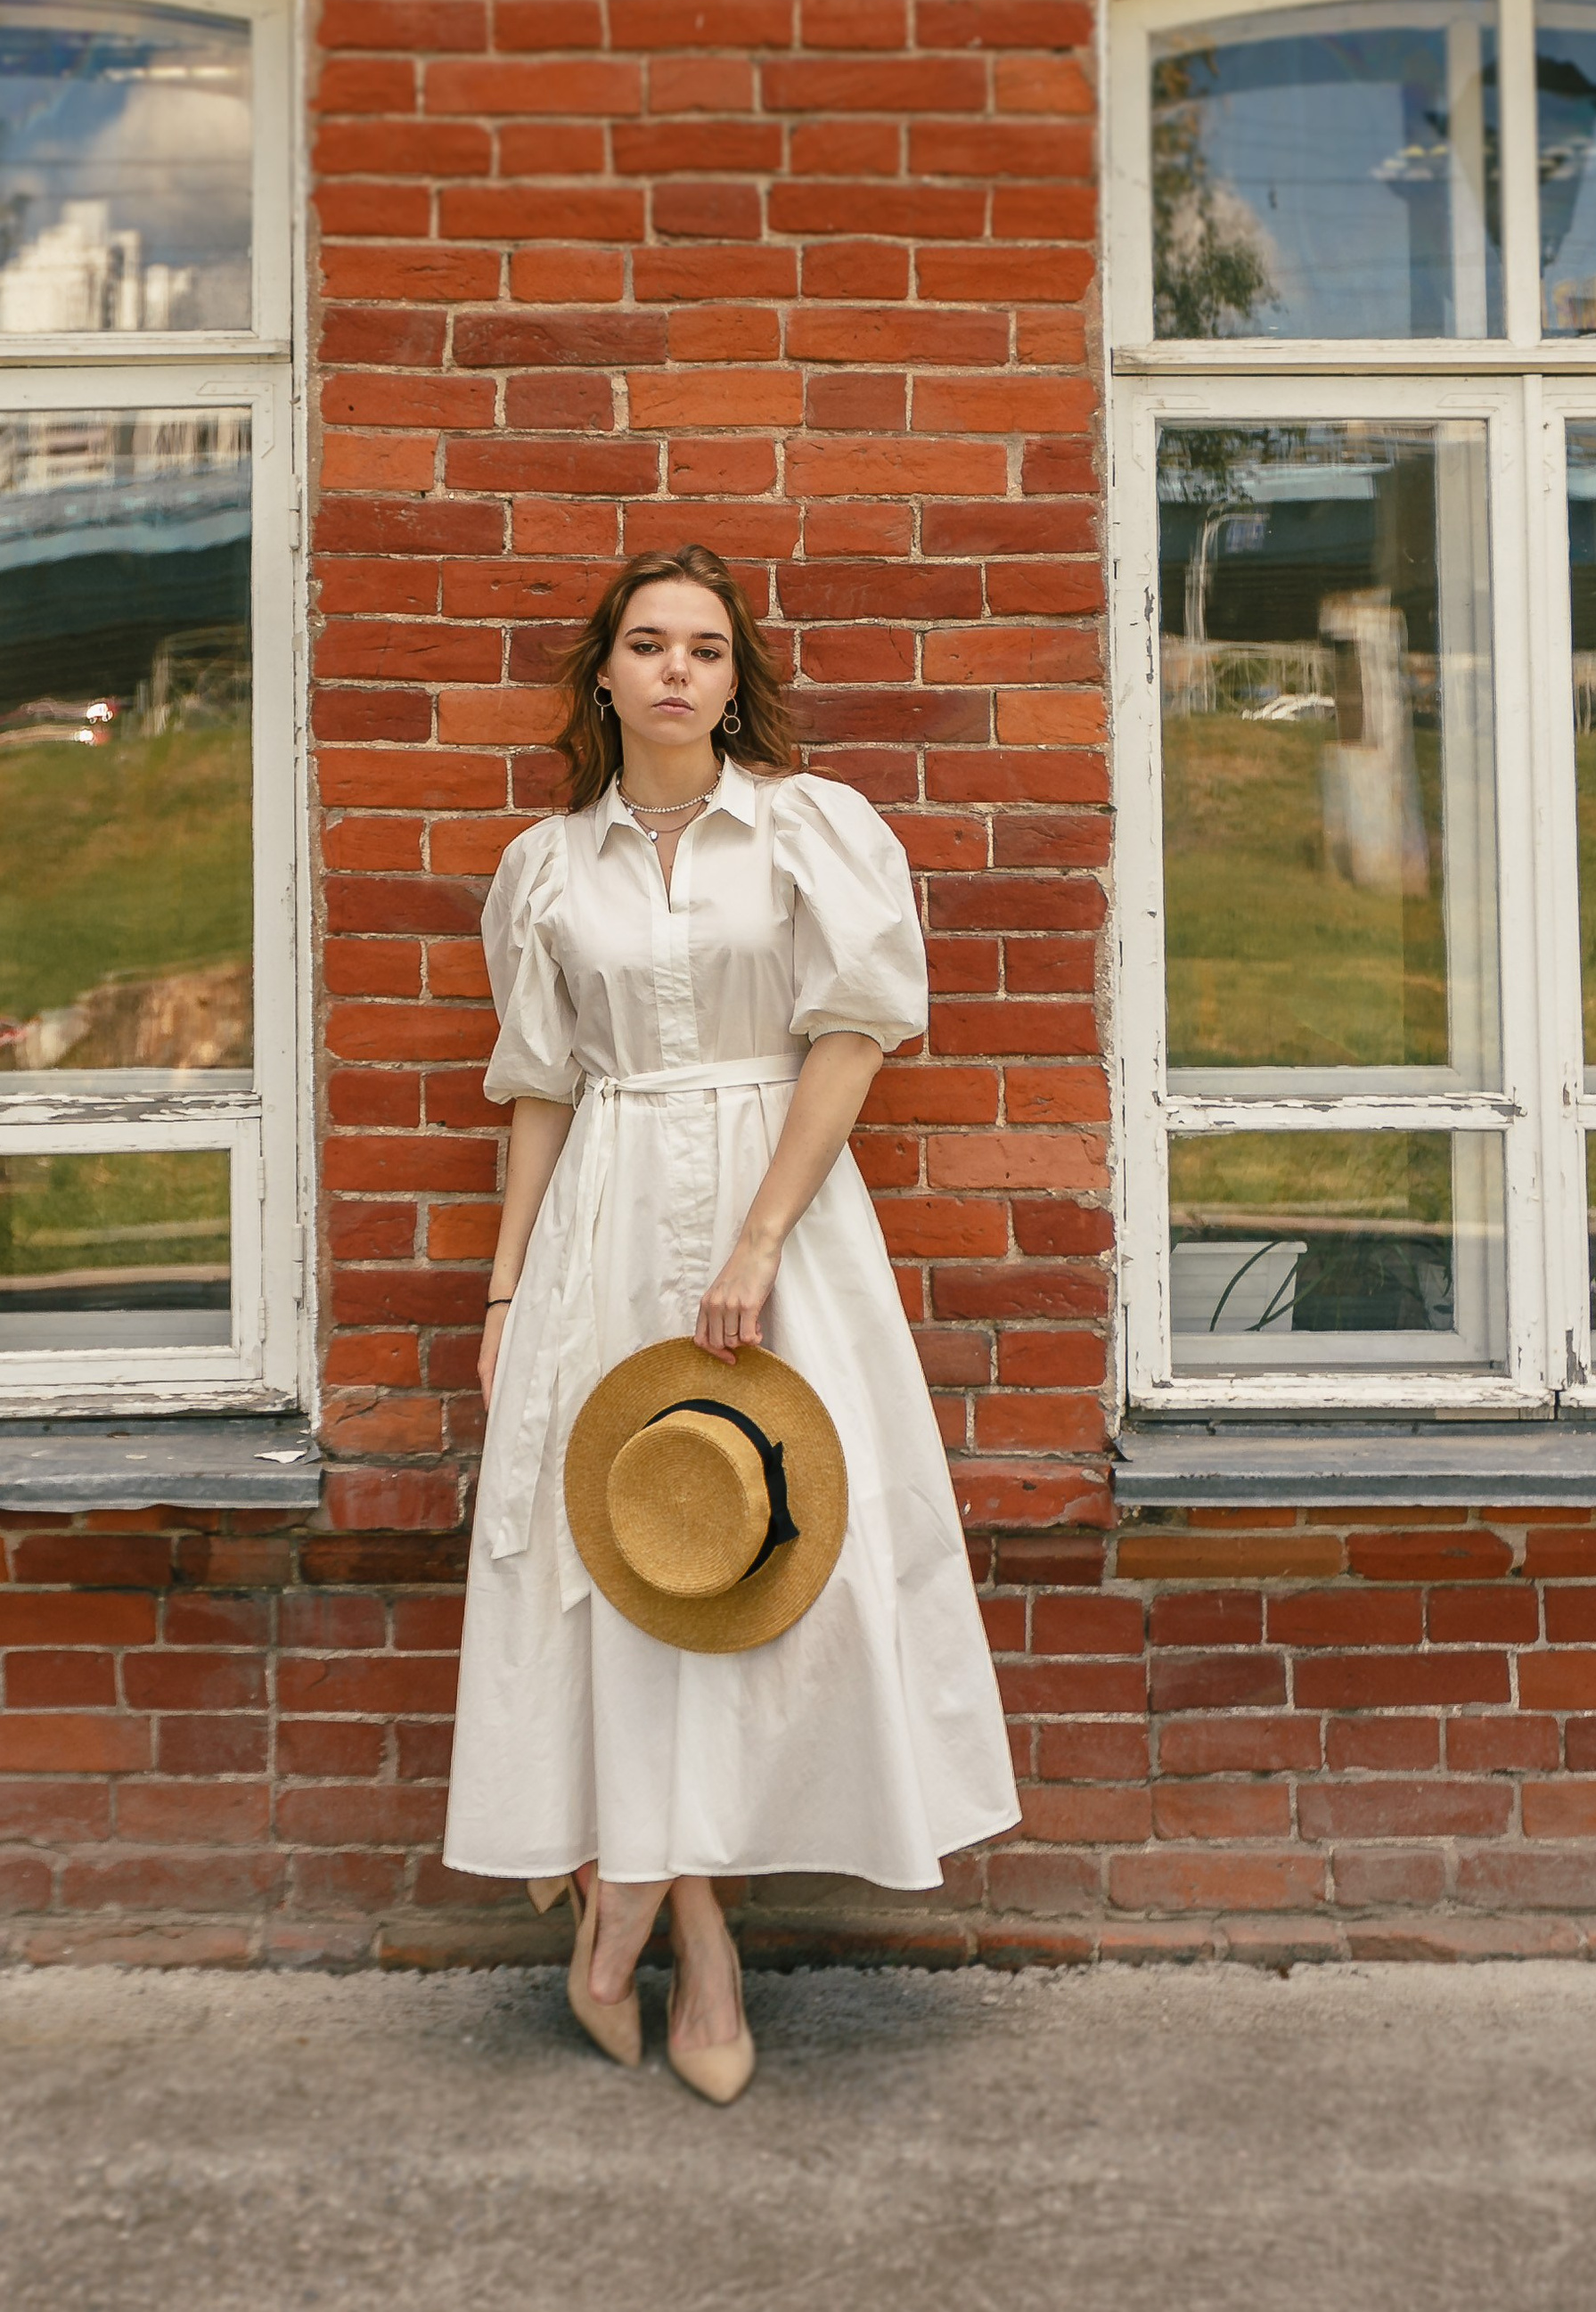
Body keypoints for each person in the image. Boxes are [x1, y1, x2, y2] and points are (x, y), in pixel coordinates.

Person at [442, 543, 1020, 2100]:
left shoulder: (809, 833)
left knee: (775, 1553)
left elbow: (853, 1035)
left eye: (706, 647)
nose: (678, 670)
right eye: (647, 643)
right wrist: (506, 1291)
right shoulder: (546, 869)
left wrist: (759, 1238)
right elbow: (542, 1095)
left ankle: (642, 1897)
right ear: (606, 675)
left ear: (734, 677)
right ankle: (678, 1928)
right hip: (606, 1225)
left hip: (787, 1220)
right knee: (634, 1557)